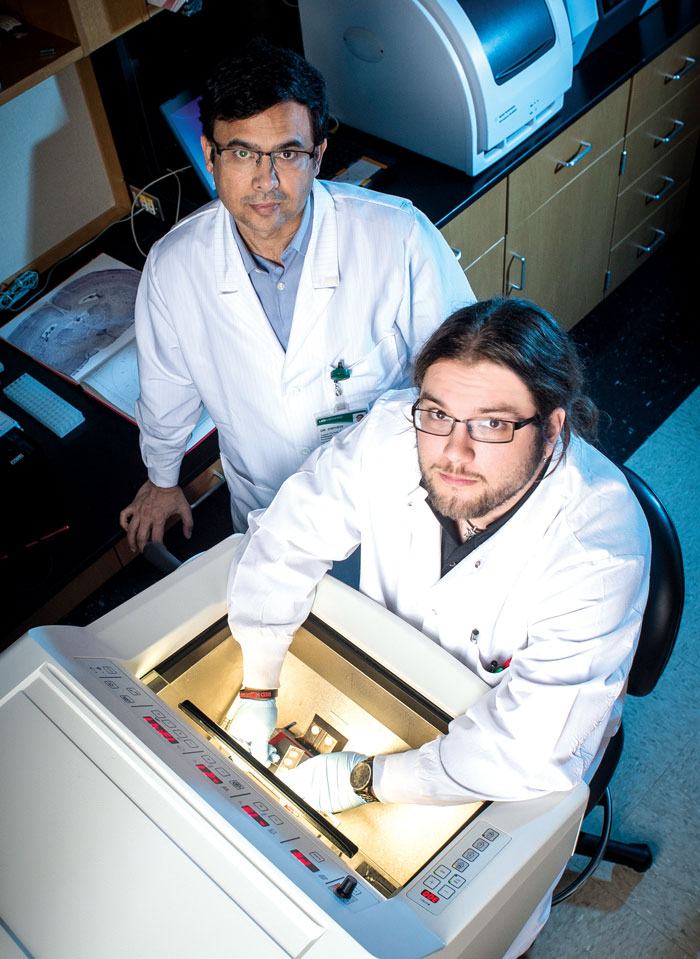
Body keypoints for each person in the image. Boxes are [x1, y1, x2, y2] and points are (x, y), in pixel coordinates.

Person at [224, 296, 651, 957]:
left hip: (525, 743)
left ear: (553, 426)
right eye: (438, 413)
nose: (453, 449)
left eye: (492, 424)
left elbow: (527, 747)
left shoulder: (598, 545)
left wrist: (366, 780)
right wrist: (256, 684)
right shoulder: (397, 429)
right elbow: (288, 536)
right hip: (397, 680)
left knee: (474, 924)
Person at [119, 37, 473, 550]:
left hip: (391, 508)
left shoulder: (399, 236)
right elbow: (166, 387)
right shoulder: (175, 267)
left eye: (287, 152)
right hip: (268, 510)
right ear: (209, 156)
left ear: (318, 155)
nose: (266, 180)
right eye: (242, 153)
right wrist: (162, 477)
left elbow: (465, 378)